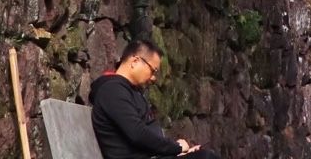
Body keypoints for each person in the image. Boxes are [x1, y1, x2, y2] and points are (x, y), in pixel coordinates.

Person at [91, 40, 219, 159]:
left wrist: (179, 153)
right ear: (135, 61)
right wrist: (177, 148)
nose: (153, 78)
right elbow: (138, 134)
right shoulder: (112, 90)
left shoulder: (128, 90)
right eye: (152, 70)